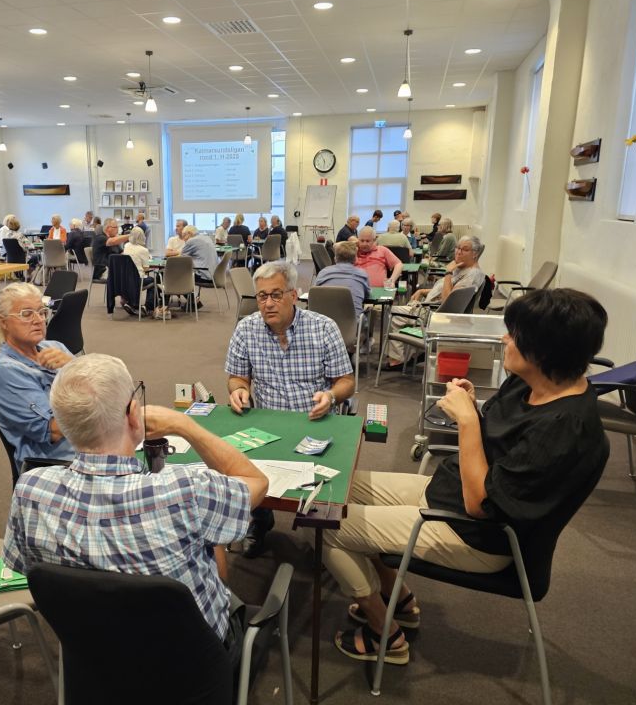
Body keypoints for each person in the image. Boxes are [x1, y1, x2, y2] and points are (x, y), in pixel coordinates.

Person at [324, 288, 609, 665]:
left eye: (514, 335)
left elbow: (480, 505)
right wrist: (473, 406)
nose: (505, 339)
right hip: (447, 492)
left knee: (325, 523)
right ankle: (399, 600)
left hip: (476, 533)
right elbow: (501, 437)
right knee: (338, 485)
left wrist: (468, 419)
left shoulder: (564, 429)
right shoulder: (533, 381)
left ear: (543, 351)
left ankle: (384, 633)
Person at [3, 353, 269, 650]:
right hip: (192, 661)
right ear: (133, 413)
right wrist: (186, 425)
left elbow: (24, 569)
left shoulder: (29, 490)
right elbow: (257, 483)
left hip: (92, 656)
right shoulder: (186, 491)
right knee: (211, 537)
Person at [226, 261, 355, 557]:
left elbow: (346, 382)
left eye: (276, 294)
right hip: (266, 424)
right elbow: (236, 377)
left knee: (321, 498)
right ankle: (261, 520)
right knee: (243, 470)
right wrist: (239, 390)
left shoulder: (323, 328)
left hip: (316, 422)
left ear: (294, 295)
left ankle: (321, 535)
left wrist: (331, 396)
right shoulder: (246, 329)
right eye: (262, 296)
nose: (268, 303)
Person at [0, 282, 77, 472]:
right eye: (27, 314)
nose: (38, 320)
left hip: (92, 445)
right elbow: (53, 430)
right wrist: (81, 377)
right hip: (57, 467)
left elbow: (103, 384)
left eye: (42, 312)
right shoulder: (5, 372)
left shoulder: (55, 347)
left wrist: (73, 366)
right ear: (4, 322)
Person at [383, 235, 487, 368]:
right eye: (457, 248)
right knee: (400, 311)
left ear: (475, 254)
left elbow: (448, 301)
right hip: (430, 309)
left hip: (435, 315)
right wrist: (423, 291)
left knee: (391, 312)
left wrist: (448, 273)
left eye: (465, 249)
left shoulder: (472, 275)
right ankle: (411, 353)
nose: (458, 252)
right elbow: (444, 290)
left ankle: (397, 360)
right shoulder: (463, 268)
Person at [313, 240, 371, 319]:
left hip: (323, 322)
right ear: (355, 259)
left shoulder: (323, 273)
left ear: (335, 258)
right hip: (352, 324)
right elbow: (367, 295)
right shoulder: (362, 274)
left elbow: (314, 293)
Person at [122, 227, 156, 315]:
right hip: (138, 279)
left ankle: (132, 303)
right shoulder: (143, 250)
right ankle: (148, 306)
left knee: (138, 279)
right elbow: (146, 269)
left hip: (125, 279)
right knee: (153, 281)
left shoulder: (126, 246)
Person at [180, 224, 218, 291]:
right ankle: (190, 297)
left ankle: (165, 296)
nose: (184, 239)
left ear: (189, 233)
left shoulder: (191, 241)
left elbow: (182, 258)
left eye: (184, 236)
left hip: (204, 276)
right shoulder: (206, 237)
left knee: (172, 274)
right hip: (214, 275)